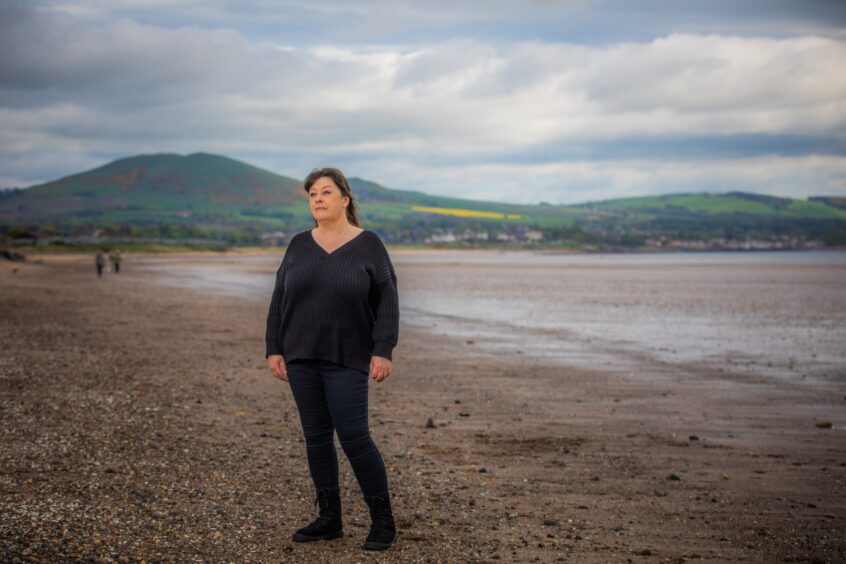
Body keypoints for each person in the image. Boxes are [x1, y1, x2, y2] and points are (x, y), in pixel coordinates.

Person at [265, 167, 400, 551]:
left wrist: (382, 349)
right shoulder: (298, 245)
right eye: (312, 194)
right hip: (301, 356)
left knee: (355, 437)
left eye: (326, 192)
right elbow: (279, 299)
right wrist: (274, 347)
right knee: (316, 439)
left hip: (348, 357)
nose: (318, 198)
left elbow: (387, 301)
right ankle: (329, 519)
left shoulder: (369, 244)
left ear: (345, 199)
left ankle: (383, 521)